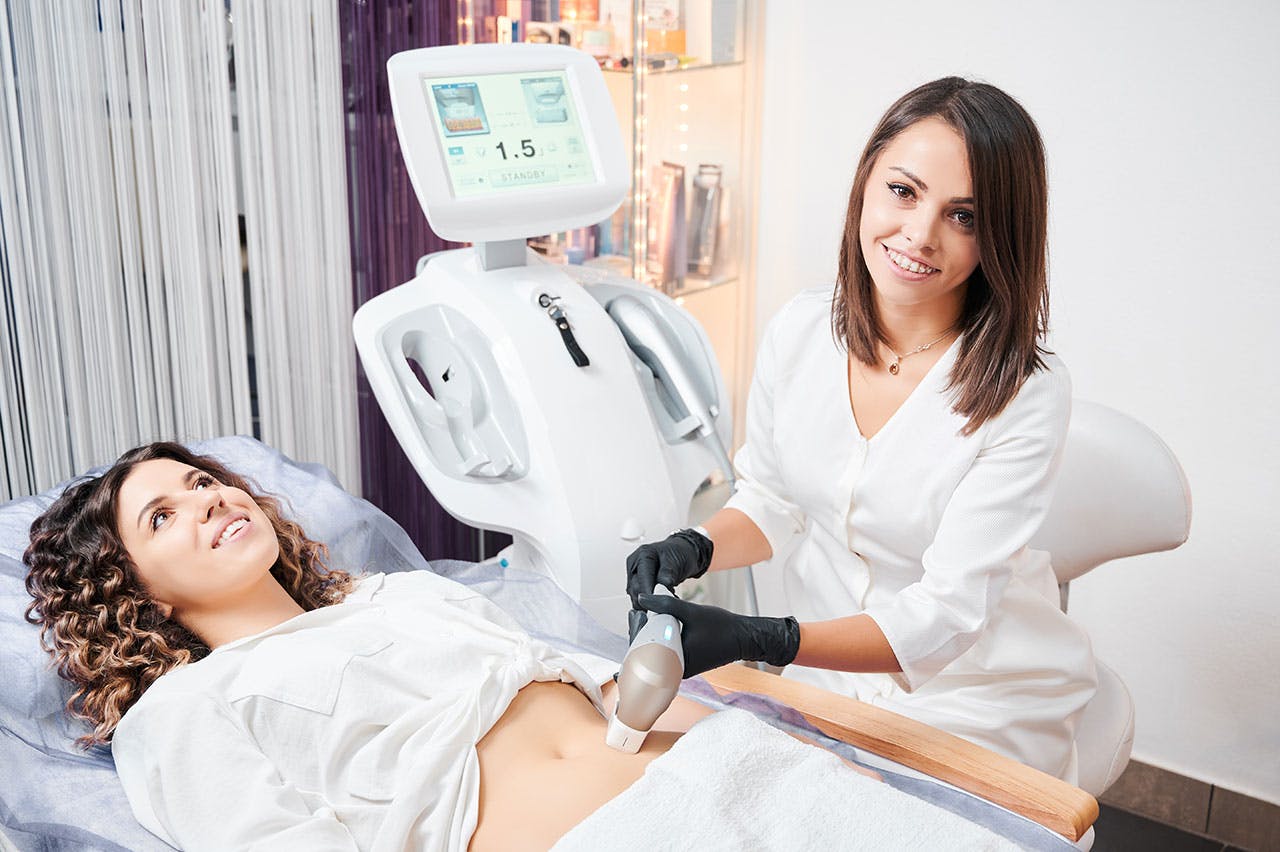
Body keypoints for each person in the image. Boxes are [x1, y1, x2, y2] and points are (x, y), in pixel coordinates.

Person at [25, 441, 905, 851]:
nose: (209, 500)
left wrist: (794, 758)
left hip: (742, 780)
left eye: (202, 481)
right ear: (135, 592)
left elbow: (606, 691)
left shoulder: (399, 595)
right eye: (163, 516)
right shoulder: (186, 710)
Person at [625, 77, 1098, 784]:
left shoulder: (1026, 392)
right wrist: (692, 548)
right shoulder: (800, 331)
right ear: (865, 184)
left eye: (964, 216)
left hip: (974, 693)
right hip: (827, 672)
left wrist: (766, 639)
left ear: (1000, 234)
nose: (920, 235)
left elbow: (948, 614)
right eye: (903, 191)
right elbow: (773, 502)